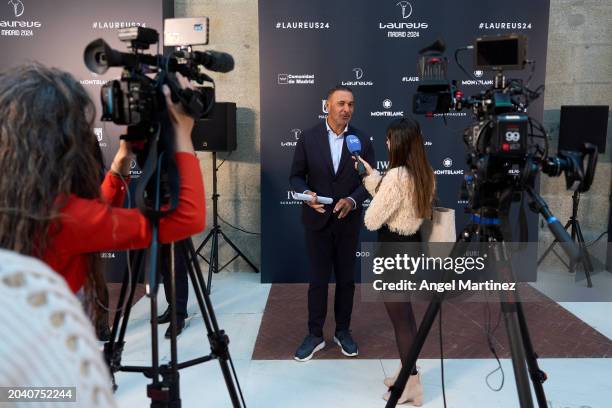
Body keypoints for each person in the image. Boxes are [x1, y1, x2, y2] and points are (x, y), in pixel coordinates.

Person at [0, 63, 205, 332]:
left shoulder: (36, 208)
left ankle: (177, 308)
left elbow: (92, 212)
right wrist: (182, 134)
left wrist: (119, 168)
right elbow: (186, 218)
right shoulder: (62, 217)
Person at [289, 85, 375, 361]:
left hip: (348, 222)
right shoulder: (308, 137)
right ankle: (315, 334)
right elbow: (296, 176)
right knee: (318, 281)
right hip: (317, 220)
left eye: (350, 104)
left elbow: (369, 181)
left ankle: (343, 331)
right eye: (340, 103)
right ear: (327, 105)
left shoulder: (361, 139)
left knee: (347, 281)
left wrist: (352, 200)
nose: (346, 109)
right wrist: (306, 195)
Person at [356, 117, 435, 406]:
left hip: (393, 253)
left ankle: (411, 384)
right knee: (406, 318)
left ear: (398, 143)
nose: (386, 143)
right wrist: (372, 177)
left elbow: (372, 219)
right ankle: (407, 371)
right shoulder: (423, 172)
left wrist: (380, 185)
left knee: (401, 321)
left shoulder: (397, 176)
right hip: (411, 249)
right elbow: (399, 201)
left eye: (389, 138)